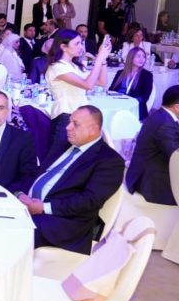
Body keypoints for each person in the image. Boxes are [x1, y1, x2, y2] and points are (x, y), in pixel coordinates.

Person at [17, 105, 125, 254]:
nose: (67, 127)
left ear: (93, 129)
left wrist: (44, 207)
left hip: (64, 223)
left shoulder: (109, 161)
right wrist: (19, 193)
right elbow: (38, 175)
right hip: (30, 205)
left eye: (75, 124)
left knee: (14, 230)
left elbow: (89, 201)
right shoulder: (64, 145)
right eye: (69, 122)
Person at [46, 29, 111, 141]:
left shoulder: (75, 66)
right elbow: (88, 85)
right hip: (65, 115)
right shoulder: (57, 67)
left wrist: (103, 60)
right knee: (59, 151)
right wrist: (99, 59)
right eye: (77, 44)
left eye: (81, 43)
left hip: (79, 115)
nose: (81, 47)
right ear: (63, 47)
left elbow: (102, 83)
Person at [126, 85, 179, 205]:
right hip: (151, 184)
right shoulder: (165, 124)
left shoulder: (160, 115)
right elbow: (175, 159)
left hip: (145, 171)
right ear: (177, 107)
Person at [109, 47, 154, 120]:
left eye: (143, 57)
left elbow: (145, 96)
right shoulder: (120, 73)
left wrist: (129, 102)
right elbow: (111, 90)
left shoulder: (147, 75)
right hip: (117, 104)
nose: (141, 59)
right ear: (131, 58)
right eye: (138, 56)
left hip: (135, 107)